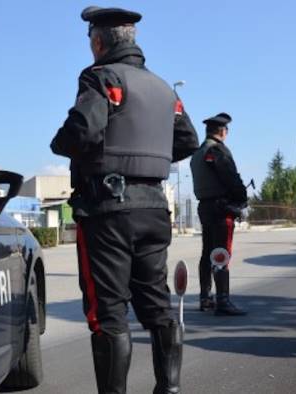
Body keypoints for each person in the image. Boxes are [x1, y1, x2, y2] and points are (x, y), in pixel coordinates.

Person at [50, 6, 199, 393]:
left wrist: (62, 145)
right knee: (158, 307)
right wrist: (150, 162)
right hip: (153, 209)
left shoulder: (101, 77)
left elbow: (81, 131)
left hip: (108, 213)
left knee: (108, 315)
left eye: (90, 42)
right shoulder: (165, 88)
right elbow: (188, 140)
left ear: (98, 42)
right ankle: (169, 389)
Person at [190, 113, 247, 316]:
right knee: (222, 252)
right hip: (221, 208)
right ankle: (223, 300)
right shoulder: (218, 150)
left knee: (207, 253)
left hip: (204, 207)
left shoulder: (197, 153)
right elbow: (231, 177)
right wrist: (242, 198)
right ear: (223, 131)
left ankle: (205, 298)